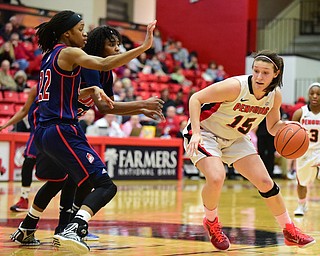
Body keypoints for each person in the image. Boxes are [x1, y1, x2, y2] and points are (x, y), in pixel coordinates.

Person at [10, 10, 157, 254]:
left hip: (46, 131)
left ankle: (28, 227)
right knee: (105, 185)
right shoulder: (69, 52)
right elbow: (103, 62)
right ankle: (73, 228)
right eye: (80, 29)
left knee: (62, 180)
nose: (84, 33)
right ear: (67, 33)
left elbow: (68, 93)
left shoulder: (50, 56)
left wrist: (90, 91)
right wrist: (144, 46)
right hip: (62, 128)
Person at [183, 49, 315, 251]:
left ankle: (289, 231)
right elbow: (195, 98)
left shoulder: (274, 96)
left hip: (236, 138)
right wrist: (197, 133)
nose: (260, 77)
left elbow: (272, 127)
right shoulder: (236, 87)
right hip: (207, 133)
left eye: (265, 72)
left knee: (265, 182)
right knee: (217, 177)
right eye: (256, 71)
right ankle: (211, 222)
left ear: (276, 73)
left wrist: (291, 128)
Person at [291, 82, 320, 216]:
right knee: (301, 182)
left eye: (318, 94)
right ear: (308, 95)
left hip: (319, 151)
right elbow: (290, 134)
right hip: (304, 152)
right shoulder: (300, 113)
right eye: (312, 93)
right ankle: (301, 205)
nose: (315, 96)